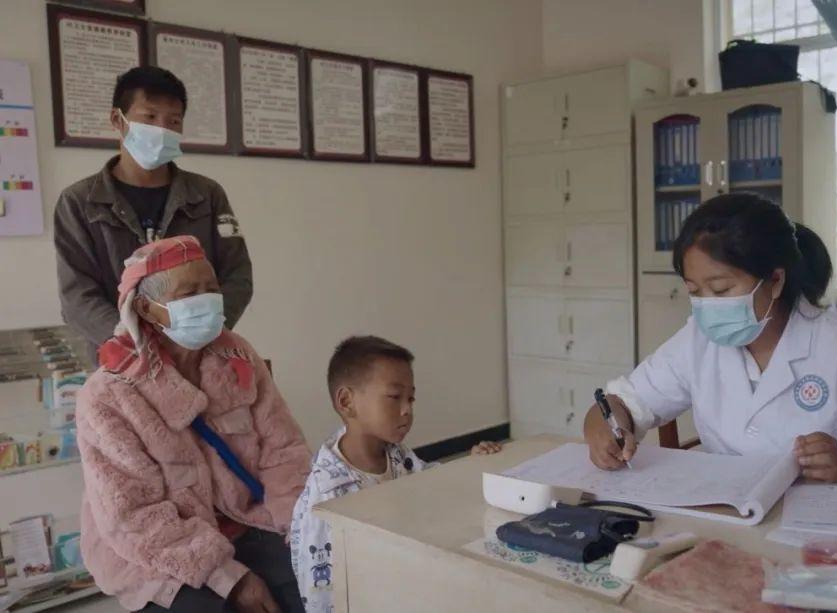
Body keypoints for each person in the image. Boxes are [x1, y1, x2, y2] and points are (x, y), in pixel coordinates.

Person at [584, 194, 837, 488]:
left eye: (722, 289)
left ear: (774, 280)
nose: (708, 305)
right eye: (695, 291)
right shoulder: (698, 341)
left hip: (825, 540)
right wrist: (604, 429)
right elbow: (623, 404)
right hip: (727, 519)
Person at [76, 236, 309, 612]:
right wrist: (230, 580)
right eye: (189, 293)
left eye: (211, 288)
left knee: (319, 584)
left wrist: (299, 528)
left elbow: (283, 451)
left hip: (246, 521)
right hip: (155, 554)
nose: (206, 300)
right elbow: (134, 517)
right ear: (145, 308)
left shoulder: (237, 355)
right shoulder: (106, 395)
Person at [290, 335, 502, 612]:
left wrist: (470, 464)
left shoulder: (395, 453)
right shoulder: (327, 495)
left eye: (411, 398)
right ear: (346, 402)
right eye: (394, 397)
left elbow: (429, 481)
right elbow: (320, 592)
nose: (407, 410)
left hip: (404, 579)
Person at [54, 66, 252, 350]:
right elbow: (77, 296)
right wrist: (130, 338)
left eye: (173, 121)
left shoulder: (206, 195)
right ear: (117, 120)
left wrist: (205, 331)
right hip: (122, 363)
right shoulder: (79, 203)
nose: (162, 129)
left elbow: (238, 275)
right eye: (149, 117)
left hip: (200, 356)